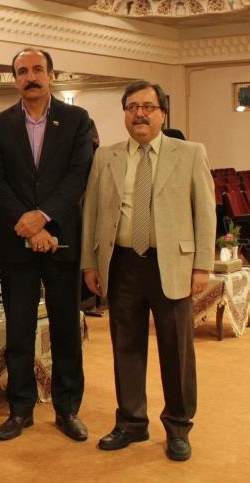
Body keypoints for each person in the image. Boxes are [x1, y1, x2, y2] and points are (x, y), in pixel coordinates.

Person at [80, 80, 215, 462]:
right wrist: (90, 263)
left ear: (163, 113)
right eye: (132, 107)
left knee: (176, 350)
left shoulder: (189, 153)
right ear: (124, 113)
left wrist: (202, 265)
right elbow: (92, 213)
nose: (140, 114)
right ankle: (131, 423)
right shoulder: (105, 157)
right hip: (122, 263)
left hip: (171, 264)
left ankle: (178, 427)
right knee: (126, 347)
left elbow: (205, 211)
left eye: (148, 107)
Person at [0, 47, 94, 442]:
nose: (30, 77)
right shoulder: (0, 125)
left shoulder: (76, 119)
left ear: (51, 75)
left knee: (65, 329)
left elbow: (79, 175)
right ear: (15, 78)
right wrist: (29, 225)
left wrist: (44, 216)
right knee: (18, 330)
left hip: (61, 239)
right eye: (22, 71)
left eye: (37, 70)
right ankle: (20, 409)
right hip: (17, 242)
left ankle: (67, 409)